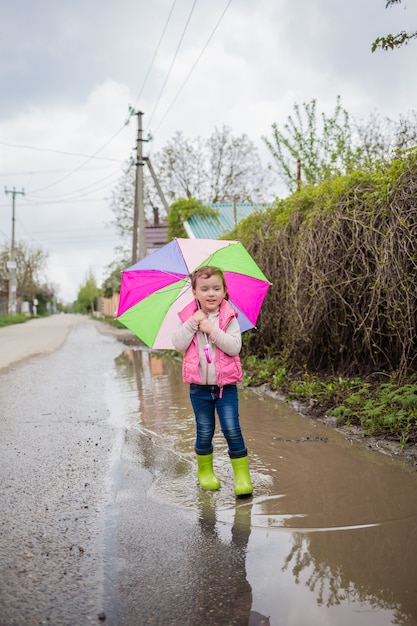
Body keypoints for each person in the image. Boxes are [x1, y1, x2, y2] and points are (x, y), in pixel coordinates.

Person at [172, 265, 253, 497]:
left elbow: (235, 347)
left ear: (225, 291)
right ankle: (205, 473)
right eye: (204, 289)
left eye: (216, 288)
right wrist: (192, 323)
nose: (211, 293)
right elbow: (178, 344)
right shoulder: (188, 317)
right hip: (199, 389)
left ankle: (242, 478)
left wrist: (212, 330)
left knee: (232, 429)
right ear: (195, 293)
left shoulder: (229, 317)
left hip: (225, 388)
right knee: (205, 430)